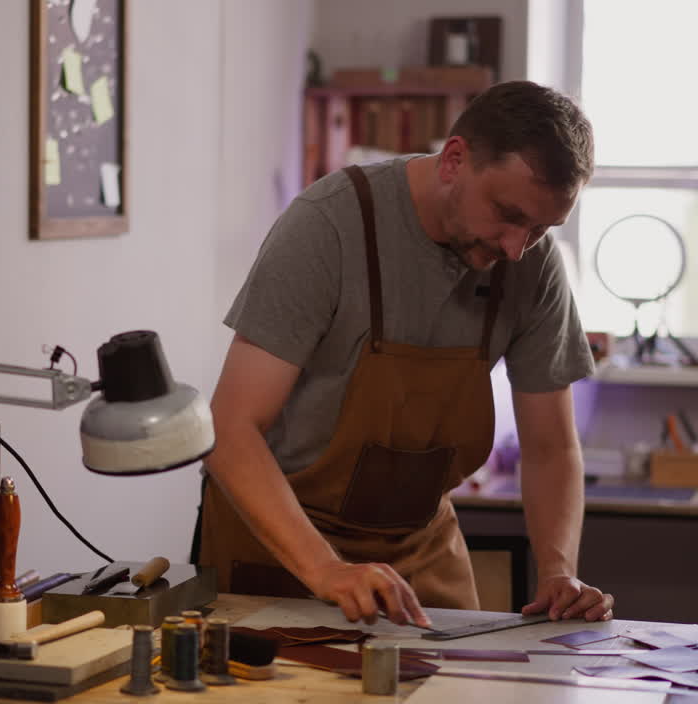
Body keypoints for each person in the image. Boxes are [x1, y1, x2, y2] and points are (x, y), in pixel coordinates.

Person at [195, 80, 614, 628]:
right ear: (455, 160)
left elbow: (550, 446)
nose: (517, 246)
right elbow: (229, 428)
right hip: (282, 539)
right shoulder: (330, 227)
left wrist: (559, 572)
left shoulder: (531, 262)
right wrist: (326, 570)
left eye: (540, 228)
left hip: (416, 544)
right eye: (508, 214)